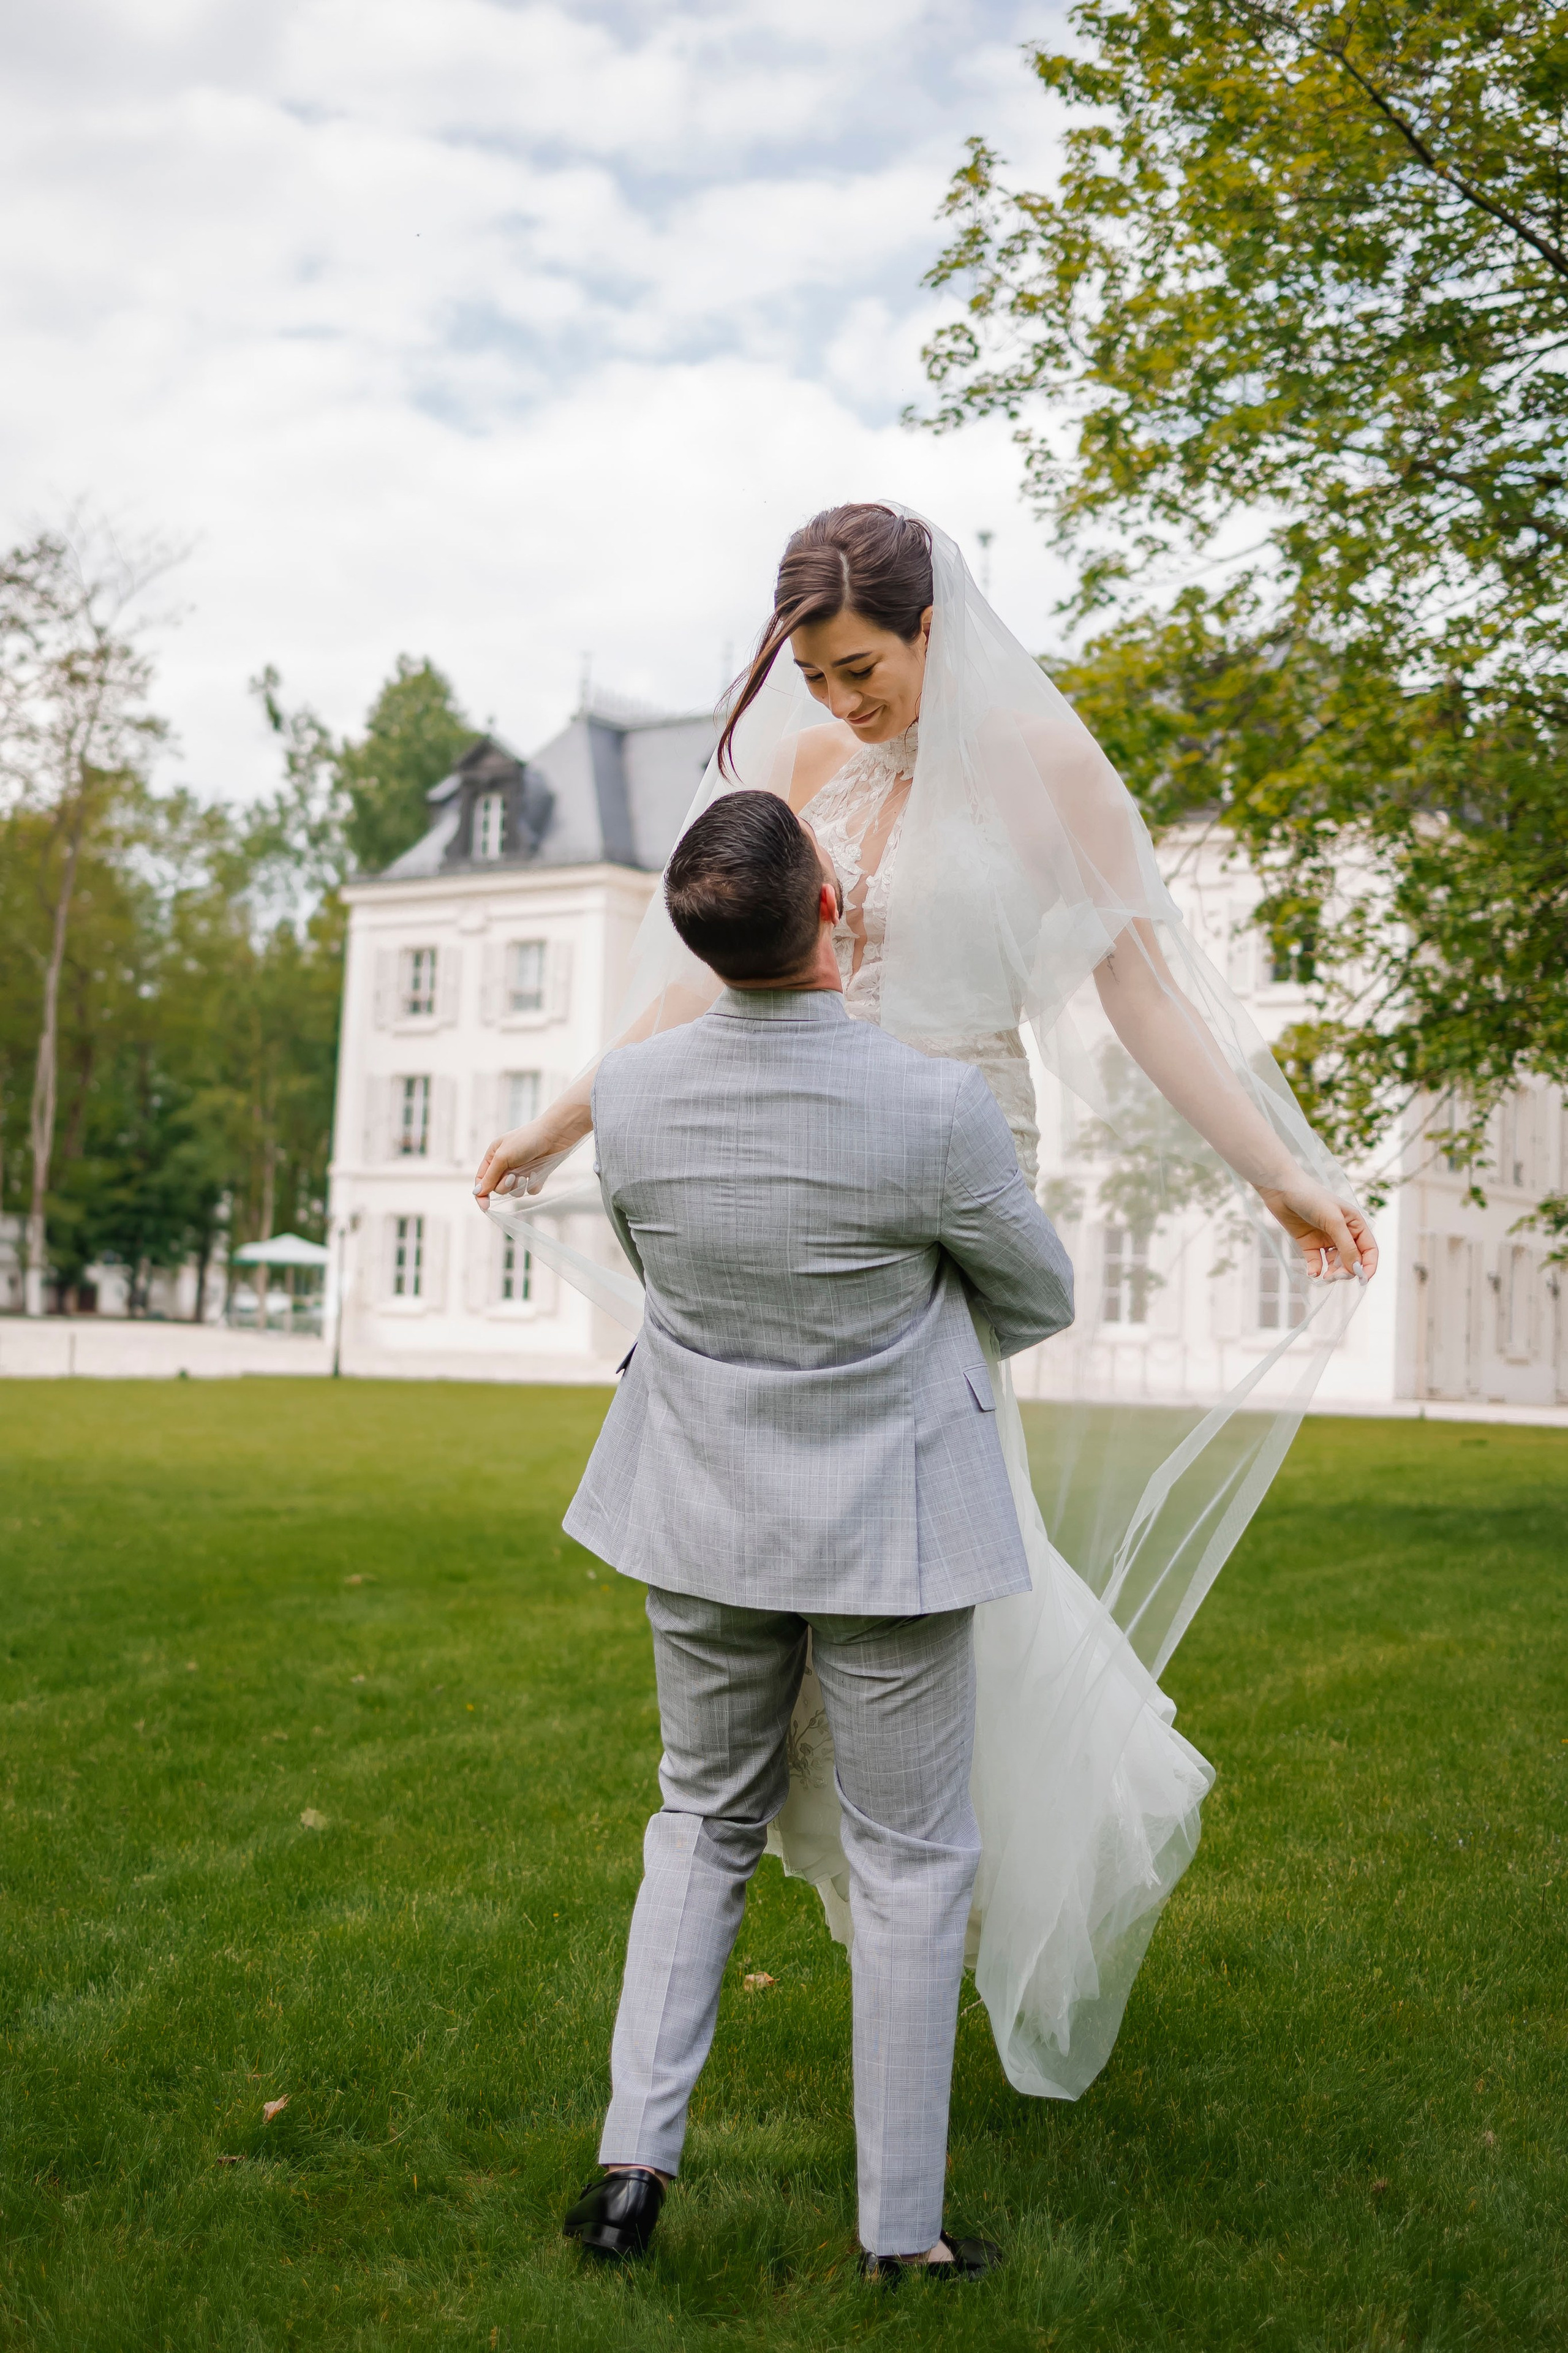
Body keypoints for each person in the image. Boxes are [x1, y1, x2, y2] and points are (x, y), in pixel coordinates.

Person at [475, 504, 1377, 2109]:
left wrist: (1276, 1170)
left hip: (950, 1177)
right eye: (816, 680)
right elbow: (706, 971)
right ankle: (856, 1862)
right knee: (820, 1583)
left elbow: (1144, 990)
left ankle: (988, 1846)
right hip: (802, 1156)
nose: (841, 705)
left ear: (930, 631)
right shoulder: (813, 775)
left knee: (948, 1560)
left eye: (861, 670)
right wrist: (567, 1115)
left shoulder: (1047, 779)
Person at [556, 788, 1074, 2275]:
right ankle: (896, 2234)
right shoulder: (933, 1106)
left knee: (697, 1820)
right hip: (892, 1527)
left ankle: (628, 2172)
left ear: (703, 943)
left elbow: (661, 1272)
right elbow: (1032, 1297)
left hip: (698, 1509)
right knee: (911, 1862)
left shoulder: (632, 1094)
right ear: (831, 913)